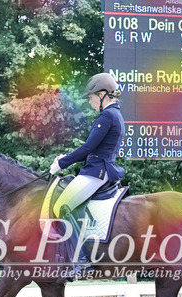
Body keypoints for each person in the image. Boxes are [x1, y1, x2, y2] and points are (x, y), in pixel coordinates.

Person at [49, 72, 126, 272]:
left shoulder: (107, 116)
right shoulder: (115, 115)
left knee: (62, 206)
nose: (90, 102)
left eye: (91, 97)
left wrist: (62, 163)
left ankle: (80, 258)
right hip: (100, 169)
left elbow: (88, 148)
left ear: (102, 94)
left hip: (97, 171)